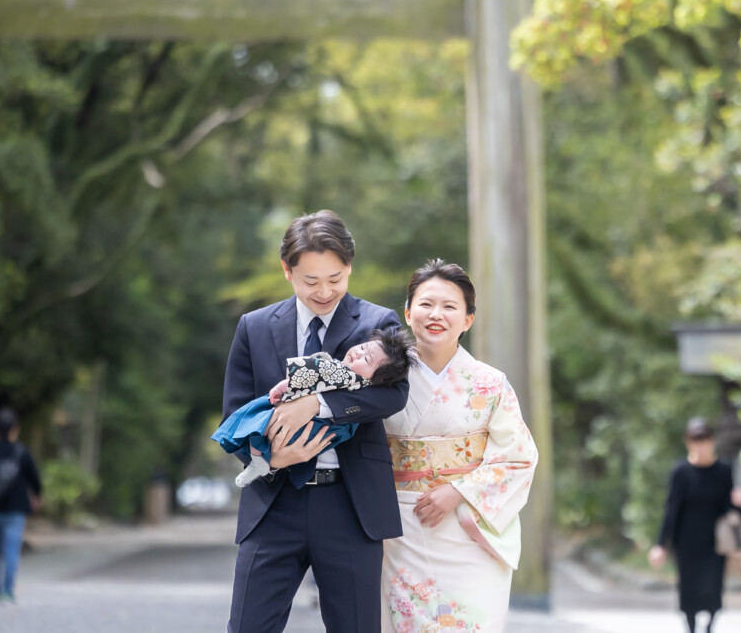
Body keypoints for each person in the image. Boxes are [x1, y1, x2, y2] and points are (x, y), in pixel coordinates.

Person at [222, 210, 410, 633]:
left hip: (350, 505)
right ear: (287, 272)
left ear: (350, 267)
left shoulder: (376, 322)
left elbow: (393, 393)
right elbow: (233, 414)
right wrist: (273, 459)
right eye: (311, 281)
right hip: (273, 504)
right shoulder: (253, 327)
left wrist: (318, 405)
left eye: (336, 278)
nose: (325, 292)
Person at [380, 259, 538, 633]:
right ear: (407, 312)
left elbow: (519, 458)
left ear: (467, 319)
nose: (436, 315)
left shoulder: (490, 383)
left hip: (468, 528)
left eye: (450, 307)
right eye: (425, 304)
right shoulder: (383, 379)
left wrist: (459, 491)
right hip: (399, 525)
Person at [213, 328, 414, 487]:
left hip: (326, 429)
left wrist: (308, 398)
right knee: (265, 429)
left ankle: (260, 459)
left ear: (378, 379)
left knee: (267, 428)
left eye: (367, 359)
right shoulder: (333, 366)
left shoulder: (353, 378)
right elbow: (308, 375)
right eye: (362, 348)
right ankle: (261, 461)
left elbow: (309, 375)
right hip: (303, 426)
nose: (358, 354)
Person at [648, 418, 741, 633]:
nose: (701, 445)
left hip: (714, 542)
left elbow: (727, 508)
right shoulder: (681, 472)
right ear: (688, 442)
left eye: (705, 439)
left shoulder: (723, 470)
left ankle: (709, 627)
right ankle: (690, 628)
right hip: (687, 542)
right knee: (689, 590)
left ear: (712, 440)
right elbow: (672, 509)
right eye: (696, 440)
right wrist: (661, 544)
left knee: (713, 588)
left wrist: (736, 503)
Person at [0, 407, 42, 603]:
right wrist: (37, 496)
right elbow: (35, 479)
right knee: (11, 550)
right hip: (16, 510)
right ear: (15, 428)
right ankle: (8, 590)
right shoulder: (22, 453)